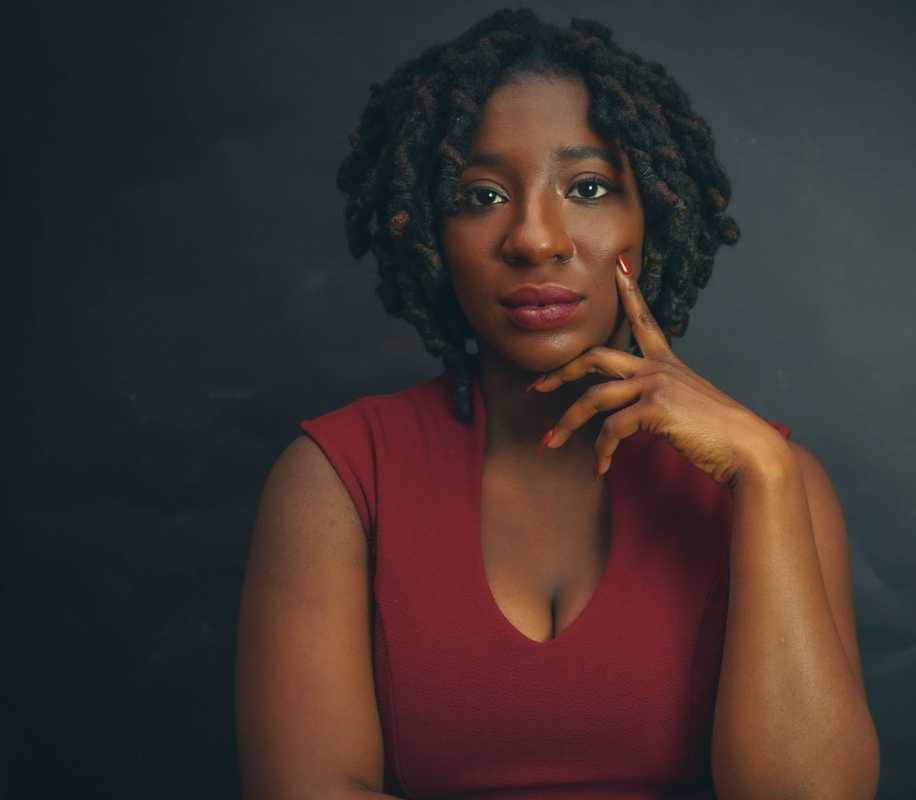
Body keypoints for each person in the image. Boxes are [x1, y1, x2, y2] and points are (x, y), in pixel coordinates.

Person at [235, 9, 879, 800]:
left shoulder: (774, 478)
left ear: (653, 218)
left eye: (588, 188)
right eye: (480, 195)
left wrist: (766, 479)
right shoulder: (337, 479)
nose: (535, 239)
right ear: (430, 232)